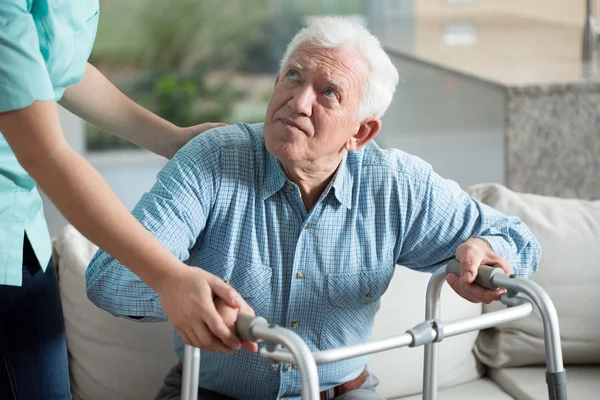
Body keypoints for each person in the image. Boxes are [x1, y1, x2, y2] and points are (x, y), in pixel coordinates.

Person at [86, 16, 541, 400]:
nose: (298, 102)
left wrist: (485, 247)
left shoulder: (396, 184)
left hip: (344, 391)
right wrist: (186, 294)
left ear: (360, 134)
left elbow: (518, 239)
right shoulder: (212, 159)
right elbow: (110, 278)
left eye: (328, 93)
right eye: (293, 77)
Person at [0, 1, 251, 399]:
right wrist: (168, 277)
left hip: (19, 233)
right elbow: (45, 153)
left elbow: (58, 65)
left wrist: (171, 138)